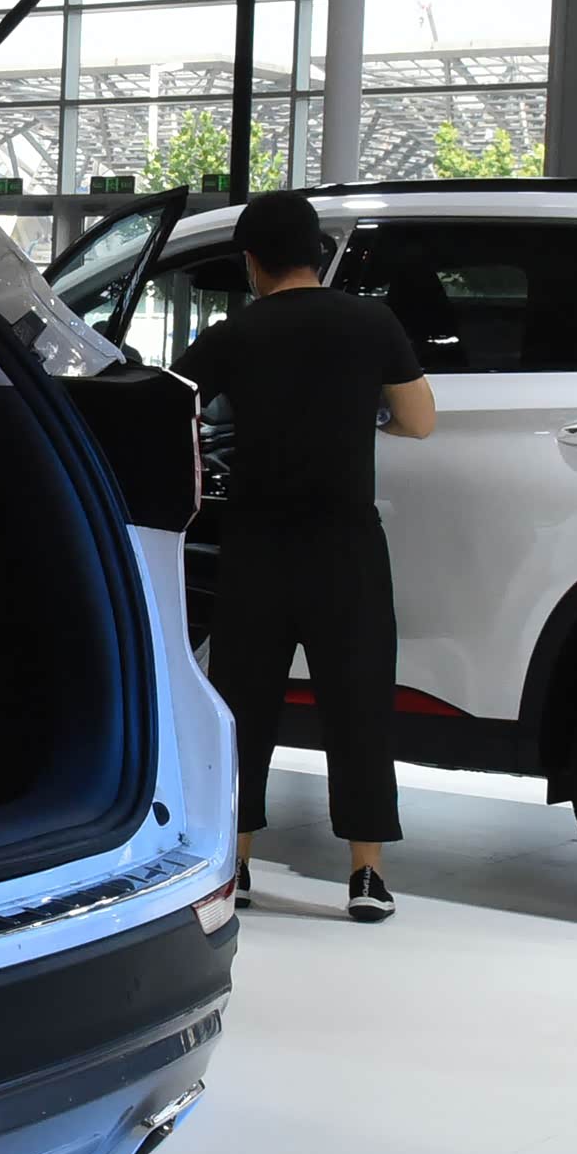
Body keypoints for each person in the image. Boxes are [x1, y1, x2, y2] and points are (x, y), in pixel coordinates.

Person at [172, 191, 436, 920]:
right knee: (358, 705)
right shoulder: (371, 323)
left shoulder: (237, 333)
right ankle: (366, 876)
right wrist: (364, 415)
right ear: (317, 254)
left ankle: (237, 862)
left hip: (257, 544)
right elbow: (419, 420)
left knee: (244, 704)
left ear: (252, 261)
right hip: (345, 544)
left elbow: (169, 406)